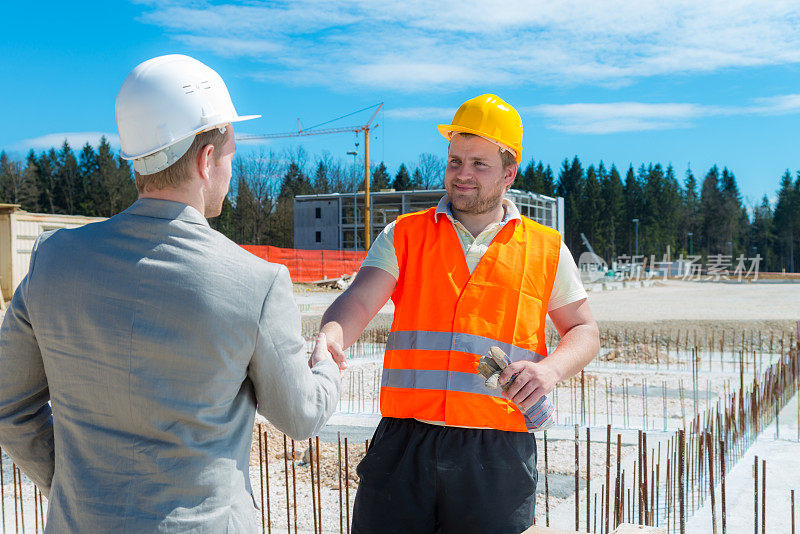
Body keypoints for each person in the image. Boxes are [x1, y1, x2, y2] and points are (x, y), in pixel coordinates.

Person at [0, 54, 340, 532]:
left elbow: (8, 405)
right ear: (205, 160)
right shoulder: (256, 282)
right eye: (230, 156)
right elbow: (301, 416)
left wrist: (72, 484)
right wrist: (326, 367)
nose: (230, 170)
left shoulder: (53, 259)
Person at [320, 94, 600, 533]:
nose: (462, 174)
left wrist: (550, 371)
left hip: (498, 449)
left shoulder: (546, 248)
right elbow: (357, 300)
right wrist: (332, 334)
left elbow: (584, 330)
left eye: (479, 164)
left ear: (509, 173)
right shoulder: (404, 235)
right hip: (405, 442)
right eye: (455, 161)